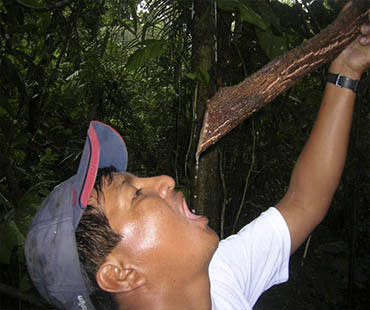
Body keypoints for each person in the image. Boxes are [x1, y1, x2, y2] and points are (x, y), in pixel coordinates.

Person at [25, 5, 370, 310]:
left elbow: (304, 202)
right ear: (120, 274)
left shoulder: (220, 276)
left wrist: (347, 70)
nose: (166, 181)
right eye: (135, 193)